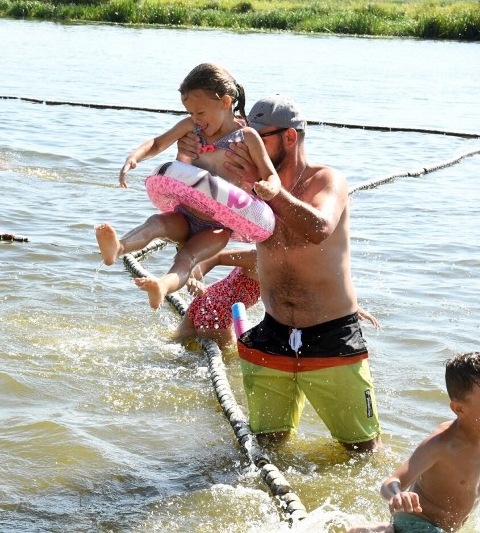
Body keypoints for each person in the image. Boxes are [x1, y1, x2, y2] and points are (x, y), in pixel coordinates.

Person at [178, 94, 381, 452]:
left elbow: (317, 228)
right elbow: (194, 202)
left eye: (260, 137)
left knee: (361, 452)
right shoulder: (247, 182)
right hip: (272, 332)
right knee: (265, 447)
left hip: (330, 335)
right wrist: (187, 153)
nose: (247, 145)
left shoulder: (326, 180)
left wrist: (268, 190)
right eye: (245, 135)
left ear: (290, 138)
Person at [95, 63, 281, 310]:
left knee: (187, 257)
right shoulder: (191, 127)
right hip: (185, 213)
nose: (195, 119)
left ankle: (161, 286)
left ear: (225, 103)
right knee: (155, 222)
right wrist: (135, 157)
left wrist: (268, 187)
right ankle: (119, 247)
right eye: (190, 112)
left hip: (217, 227)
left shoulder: (246, 137)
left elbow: (272, 175)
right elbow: (158, 143)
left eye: (200, 113)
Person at [348, 352, 480, 533]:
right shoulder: (441, 444)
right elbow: (391, 482)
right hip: (418, 523)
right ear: (459, 408)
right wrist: (398, 495)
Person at [176, 248, 380, 348]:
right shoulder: (259, 257)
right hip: (218, 312)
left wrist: (352, 308)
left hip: (205, 300)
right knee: (230, 361)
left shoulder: (274, 263)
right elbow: (217, 257)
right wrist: (195, 278)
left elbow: (315, 289)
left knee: (176, 345)